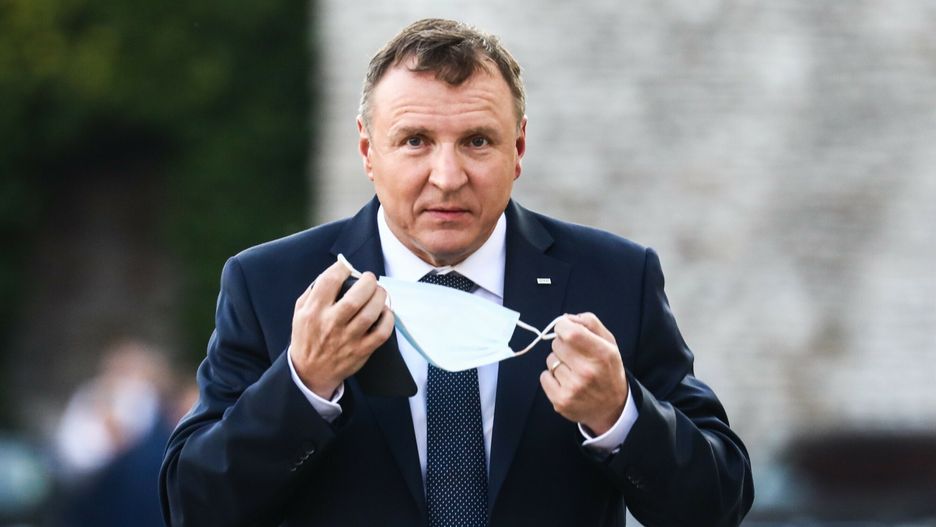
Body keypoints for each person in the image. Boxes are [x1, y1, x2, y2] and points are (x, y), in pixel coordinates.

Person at [160, 18, 754, 527]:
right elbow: (192, 505)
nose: (447, 177)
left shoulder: (616, 278)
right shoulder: (270, 283)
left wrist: (620, 415)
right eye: (415, 141)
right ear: (368, 152)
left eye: (477, 141)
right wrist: (303, 384)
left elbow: (719, 502)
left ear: (518, 149)